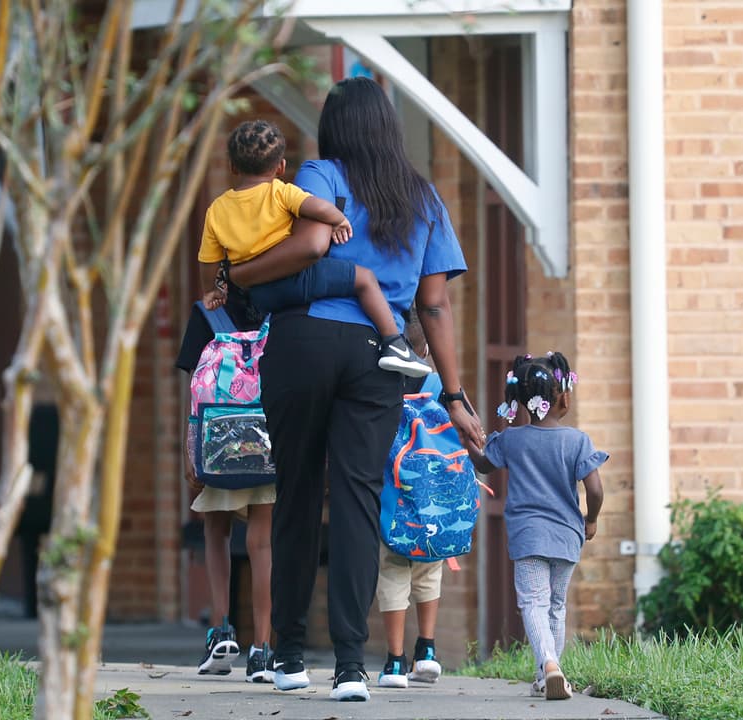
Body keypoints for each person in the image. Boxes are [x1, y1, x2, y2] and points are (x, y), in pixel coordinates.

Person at [222, 77, 486, 702]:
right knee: (358, 502)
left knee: (295, 493)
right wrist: (453, 395)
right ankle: (349, 666)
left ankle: (288, 655)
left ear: (333, 128)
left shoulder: (320, 174)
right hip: (378, 354)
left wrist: (241, 276)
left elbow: (308, 244)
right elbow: (435, 305)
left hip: (304, 340)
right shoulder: (422, 196)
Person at [198, 119, 430, 378]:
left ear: (232, 166)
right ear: (281, 166)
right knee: (364, 279)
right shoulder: (280, 192)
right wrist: (338, 219)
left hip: (260, 294)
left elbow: (208, 260)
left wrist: (213, 290)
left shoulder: (216, 210)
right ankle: (395, 344)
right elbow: (315, 206)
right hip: (295, 277)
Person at [465, 351, 607, 702]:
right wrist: (591, 519)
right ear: (564, 398)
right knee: (556, 605)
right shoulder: (577, 441)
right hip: (567, 535)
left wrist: (468, 438)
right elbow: (595, 489)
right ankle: (548, 674)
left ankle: (548, 665)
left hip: (528, 534)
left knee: (533, 602)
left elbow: (483, 463)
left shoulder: (511, 439)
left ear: (520, 399)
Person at [178, 296, 276, 683]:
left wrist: (190, 448)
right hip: (266, 441)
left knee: (215, 530)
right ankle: (263, 649)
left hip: (218, 439)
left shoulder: (207, 314)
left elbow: (192, 388)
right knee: (262, 543)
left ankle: (221, 631)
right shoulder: (280, 307)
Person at [376, 313, 444, 689]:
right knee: (429, 569)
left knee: (392, 570)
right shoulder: (438, 384)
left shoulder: (379, 381)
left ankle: (395, 661)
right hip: (431, 495)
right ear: (427, 348)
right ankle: (428, 649)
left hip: (390, 496)